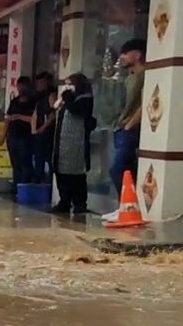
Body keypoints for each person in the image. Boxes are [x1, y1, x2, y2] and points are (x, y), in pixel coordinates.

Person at [107, 39, 145, 218]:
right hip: (121, 128)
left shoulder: (145, 76)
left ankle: (128, 206)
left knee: (118, 168)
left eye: (125, 53)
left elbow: (145, 103)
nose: (121, 57)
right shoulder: (128, 78)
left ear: (137, 55)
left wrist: (130, 125)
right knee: (127, 170)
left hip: (130, 129)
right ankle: (126, 206)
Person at [50, 73, 96, 215]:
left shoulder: (85, 99)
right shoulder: (66, 100)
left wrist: (67, 96)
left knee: (76, 175)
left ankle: (79, 203)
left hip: (77, 144)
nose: (67, 87)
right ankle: (64, 201)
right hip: (62, 142)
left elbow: (76, 110)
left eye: (70, 84)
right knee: (61, 172)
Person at [4, 76, 37, 185]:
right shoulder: (14, 102)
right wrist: (3, 135)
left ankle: (25, 185)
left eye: (22, 86)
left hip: (25, 136)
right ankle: (16, 186)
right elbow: (8, 118)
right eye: (19, 86)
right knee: (15, 163)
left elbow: (34, 119)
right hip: (12, 136)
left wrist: (18, 116)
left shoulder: (33, 102)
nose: (20, 89)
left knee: (25, 163)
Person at [31, 72, 57, 184]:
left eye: (41, 82)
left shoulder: (51, 95)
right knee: (38, 160)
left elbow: (52, 115)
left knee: (47, 158)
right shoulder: (39, 97)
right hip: (39, 131)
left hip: (47, 132)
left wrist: (43, 128)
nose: (39, 85)